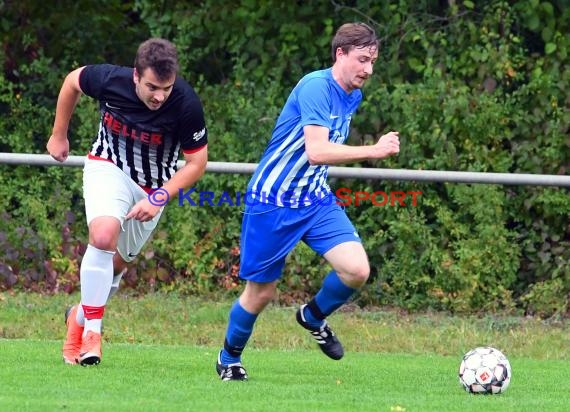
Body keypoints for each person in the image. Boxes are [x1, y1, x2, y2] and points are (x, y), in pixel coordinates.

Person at [215, 22, 400, 381]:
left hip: (314, 199)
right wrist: (373, 150)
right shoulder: (315, 87)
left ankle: (313, 316)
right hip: (274, 201)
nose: (368, 70)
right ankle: (228, 357)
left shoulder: (352, 95)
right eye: (362, 60)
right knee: (261, 292)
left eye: (373, 62)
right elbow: (316, 151)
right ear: (340, 54)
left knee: (356, 270)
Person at [47, 38, 208, 366]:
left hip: (152, 190)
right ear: (136, 76)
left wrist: (160, 195)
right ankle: (92, 332)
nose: (159, 96)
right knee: (103, 237)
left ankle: (77, 316)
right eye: (152, 87)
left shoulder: (185, 103)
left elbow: (197, 163)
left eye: (166, 87)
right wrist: (59, 133)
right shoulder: (109, 79)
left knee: (115, 266)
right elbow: (72, 81)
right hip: (108, 166)